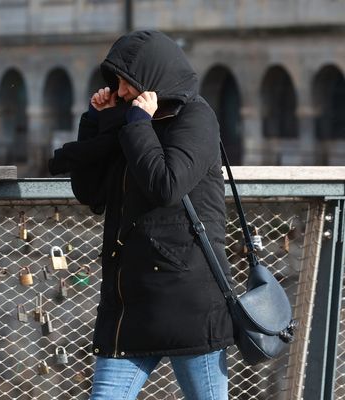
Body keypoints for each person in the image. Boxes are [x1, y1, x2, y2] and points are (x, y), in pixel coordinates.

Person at [48, 30, 234, 400]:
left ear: (148, 81)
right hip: (129, 300)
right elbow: (91, 192)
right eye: (116, 83)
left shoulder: (195, 118)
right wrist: (97, 121)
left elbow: (165, 185)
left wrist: (136, 123)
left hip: (187, 299)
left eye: (125, 82)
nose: (119, 91)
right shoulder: (129, 124)